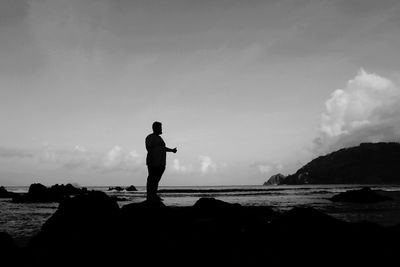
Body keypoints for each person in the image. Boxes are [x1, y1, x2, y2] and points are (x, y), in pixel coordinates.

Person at [145, 121, 177, 201]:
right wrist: (152, 160)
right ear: (155, 128)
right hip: (154, 162)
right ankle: (150, 196)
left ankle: (153, 195)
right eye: (160, 127)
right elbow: (149, 149)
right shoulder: (150, 137)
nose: (161, 129)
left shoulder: (159, 138)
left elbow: (163, 148)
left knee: (156, 180)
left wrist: (172, 150)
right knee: (152, 179)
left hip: (161, 163)